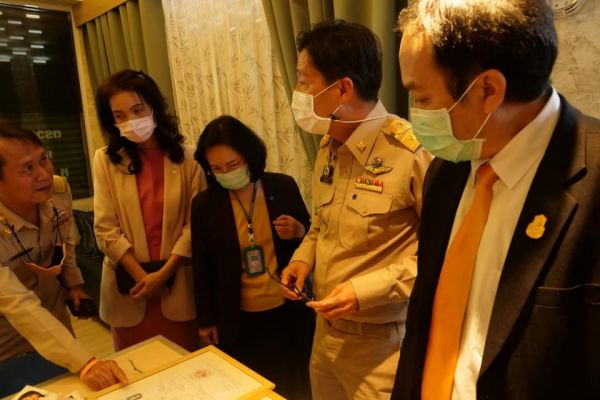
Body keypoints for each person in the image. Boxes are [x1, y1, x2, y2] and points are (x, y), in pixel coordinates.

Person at [391, 1, 600, 399]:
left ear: (488, 90)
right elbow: (425, 328)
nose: (415, 114)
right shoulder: (447, 170)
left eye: (421, 98)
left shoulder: (593, 183)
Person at [280, 21, 432, 400]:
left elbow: (444, 256)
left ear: (343, 89)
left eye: (304, 82)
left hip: (382, 348)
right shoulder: (329, 145)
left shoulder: (410, 153)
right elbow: (322, 223)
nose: (298, 93)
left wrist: (364, 291)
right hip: (325, 335)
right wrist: (302, 259)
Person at [0, 120, 127, 396]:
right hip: (6, 340)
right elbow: (17, 304)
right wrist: (87, 362)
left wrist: (73, 283)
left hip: (55, 319)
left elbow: (64, 238)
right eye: (27, 168)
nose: (44, 174)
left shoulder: (58, 190)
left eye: (43, 159)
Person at [191, 115, 314, 399]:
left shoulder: (282, 187)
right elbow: (201, 267)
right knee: (247, 389)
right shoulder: (205, 205)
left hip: (286, 313)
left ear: (249, 156)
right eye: (217, 169)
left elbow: (313, 238)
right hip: (236, 318)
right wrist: (205, 320)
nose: (225, 173)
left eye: (232, 165)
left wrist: (299, 230)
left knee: (292, 387)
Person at [93, 70, 205, 352]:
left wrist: (163, 275)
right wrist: (143, 278)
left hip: (177, 287)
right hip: (129, 291)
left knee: (184, 368)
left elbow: (195, 226)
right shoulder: (105, 160)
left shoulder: (189, 158)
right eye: (119, 115)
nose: (130, 120)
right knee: (136, 369)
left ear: (154, 106)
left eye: (137, 110)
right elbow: (105, 229)